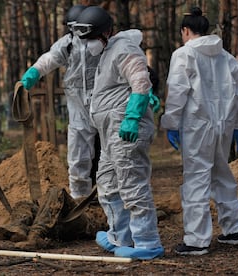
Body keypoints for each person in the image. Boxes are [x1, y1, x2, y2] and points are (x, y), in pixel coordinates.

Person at [72, 6, 164, 260]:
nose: (88, 44)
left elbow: (141, 82)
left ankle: (146, 241)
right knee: (108, 182)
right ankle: (120, 235)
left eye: (91, 38)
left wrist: (133, 117)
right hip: (110, 131)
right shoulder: (107, 52)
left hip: (125, 129)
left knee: (131, 182)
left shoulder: (124, 49)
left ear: (106, 33)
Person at [160, 7, 238, 255]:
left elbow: (177, 91)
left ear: (185, 30)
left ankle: (196, 240)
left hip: (196, 126)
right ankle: (233, 231)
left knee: (196, 179)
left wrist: (170, 123)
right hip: (224, 126)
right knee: (222, 175)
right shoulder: (227, 58)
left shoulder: (184, 55)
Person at [19, 4, 100, 199]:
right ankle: (80, 198)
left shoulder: (102, 42)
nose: (77, 32)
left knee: (109, 153)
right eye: (73, 28)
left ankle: (110, 199)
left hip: (103, 100)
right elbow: (50, 59)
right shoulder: (68, 44)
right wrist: (34, 72)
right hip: (77, 104)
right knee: (78, 153)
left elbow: (124, 63)